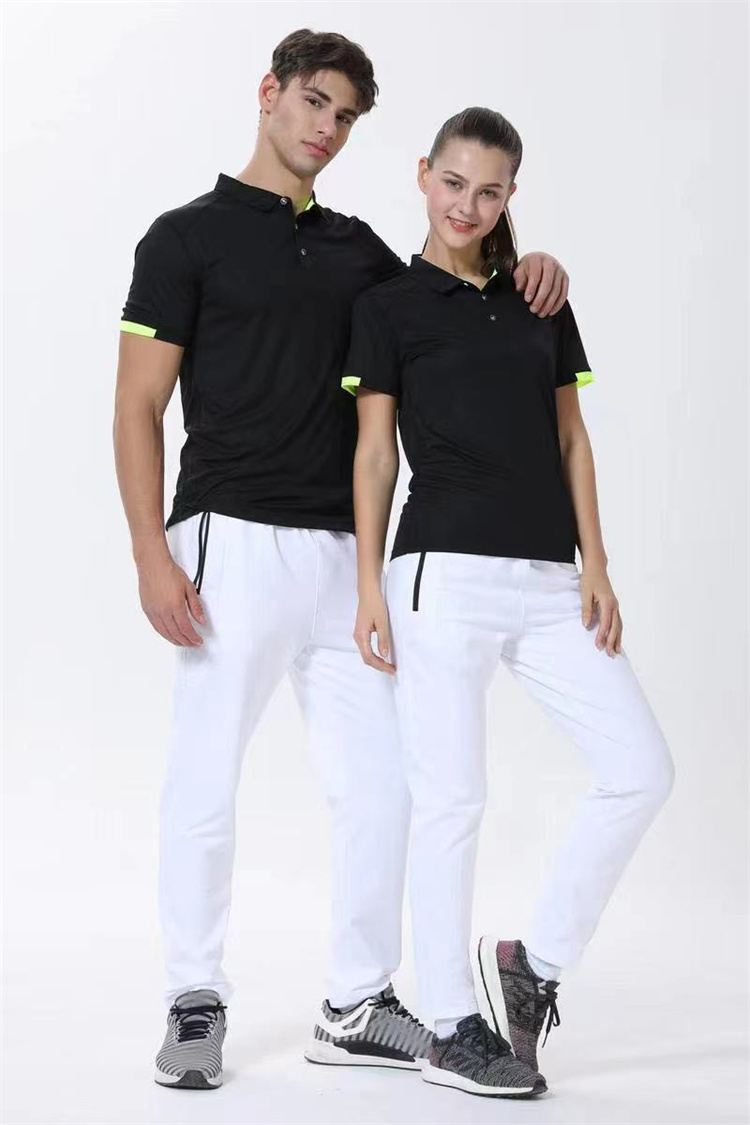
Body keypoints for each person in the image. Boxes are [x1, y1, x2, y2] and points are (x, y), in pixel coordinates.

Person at [113, 32, 572, 1090]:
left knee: (384, 788)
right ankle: (194, 997)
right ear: (269, 94)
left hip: (349, 560)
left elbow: (457, 288)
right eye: (314, 102)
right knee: (206, 779)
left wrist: (531, 267)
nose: (327, 127)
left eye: (346, 116)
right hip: (229, 540)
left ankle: (357, 1000)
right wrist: (149, 554)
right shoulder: (184, 239)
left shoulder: (362, 252)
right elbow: (137, 405)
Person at [345, 106, 675, 1099]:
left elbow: (572, 437)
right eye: (454, 183)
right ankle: (450, 1024)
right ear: (424, 175)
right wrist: (368, 583)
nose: (467, 205)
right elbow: (375, 452)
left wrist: (597, 564)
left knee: (640, 770)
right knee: (452, 800)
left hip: (547, 579)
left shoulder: (540, 298)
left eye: (488, 191)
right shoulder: (388, 305)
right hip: (439, 575)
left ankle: (533, 963)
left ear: (509, 197)